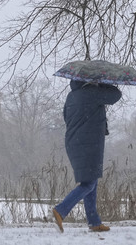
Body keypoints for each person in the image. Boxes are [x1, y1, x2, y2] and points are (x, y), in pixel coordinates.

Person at [52, 79, 121, 233]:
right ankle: (60, 210)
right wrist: (103, 84)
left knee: (91, 180)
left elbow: (66, 117)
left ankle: (94, 221)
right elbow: (115, 95)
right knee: (89, 183)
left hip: (74, 142)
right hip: (88, 143)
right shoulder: (93, 93)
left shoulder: (72, 96)